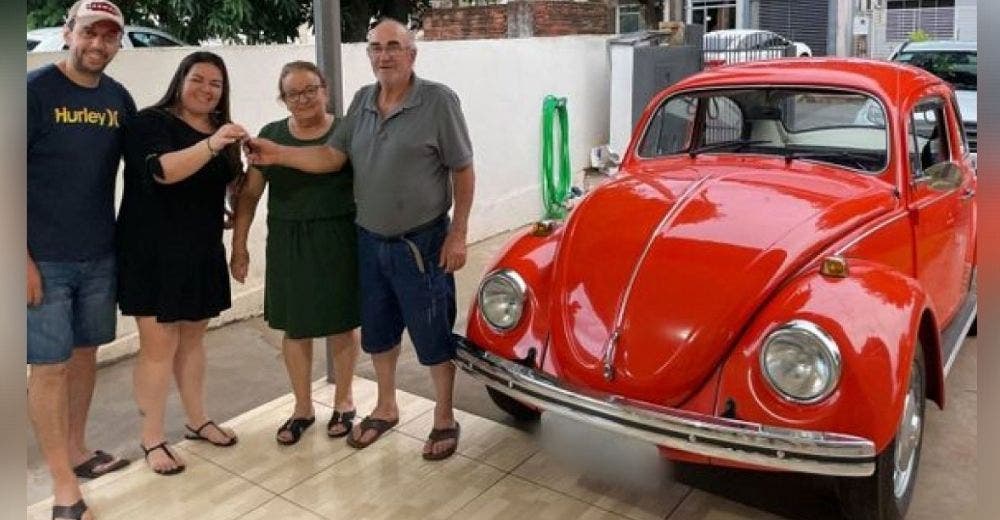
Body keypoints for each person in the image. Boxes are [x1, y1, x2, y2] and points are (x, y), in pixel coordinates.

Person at [247, 18, 475, 461]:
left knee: (432, 337)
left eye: (394, 46)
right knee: (379, 335)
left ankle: (444, 417)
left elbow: (462, 169)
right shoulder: (363, 101)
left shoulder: (438, 101)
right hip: (369, 243)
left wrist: (459, 233)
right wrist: (276, 153)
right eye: (376, 48)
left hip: (423, 243)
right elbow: (331, 156)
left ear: (412, 54)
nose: (385, 55)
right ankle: (386, 407)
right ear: (368, 55)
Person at [116, 51, 248, 475]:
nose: (207, 89)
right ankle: (152, 438)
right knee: (158, 347)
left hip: (200, 251)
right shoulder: (149, 123)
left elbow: (227, 184)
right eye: (199, 79)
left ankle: (197, 420)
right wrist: (213, 144)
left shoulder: (219, 134)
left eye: (216, 84)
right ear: (181, 79)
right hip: (151, 252)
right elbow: (163, 172)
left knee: (192, 342)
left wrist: (233, 199)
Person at [27, 1, 135, 518]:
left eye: (109, 36)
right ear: (68, 33)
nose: (98, 44)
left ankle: (76, 447)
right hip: (40, 258)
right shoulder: (33, 92)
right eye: (89, 32)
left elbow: (144, 168)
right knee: (48, 369)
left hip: (99, 253)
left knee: (85, 355)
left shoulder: (119, 99)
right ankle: (62, 487)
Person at [229, 61, 361, 445]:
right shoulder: (270, 135)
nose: (303, 99)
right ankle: (302, 408)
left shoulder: (346, 130)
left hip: (338, 237)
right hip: (288, 241)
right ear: (283, 98)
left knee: (341, 324)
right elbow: (250, 195)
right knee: (295, 327)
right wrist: (239, 247)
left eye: (310, 90)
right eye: (293, 93)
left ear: (325, 90)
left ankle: (345, 400)